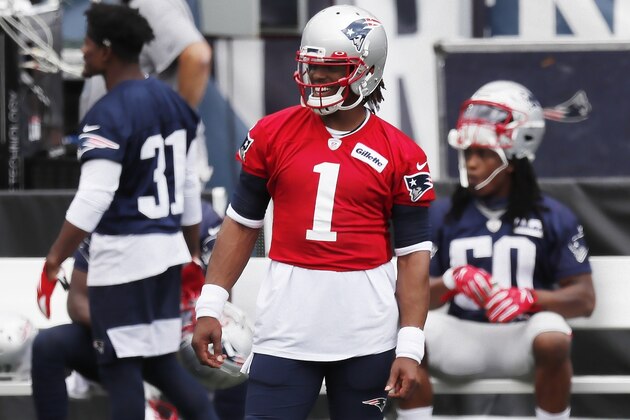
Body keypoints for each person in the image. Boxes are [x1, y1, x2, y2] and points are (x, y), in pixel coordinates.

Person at [191, 5, 435, 419]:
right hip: (285, 331)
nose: (317, 79)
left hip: (366, 336)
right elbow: (241, 224)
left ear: (367, 70)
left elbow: (413, 257)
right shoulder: (271, 133)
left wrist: (410, 345)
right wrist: (210, 306)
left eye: (331, 69)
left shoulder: (403, 154)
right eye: (311, 67)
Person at [36, 4, 208, 419]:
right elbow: (186, 188)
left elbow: (94, 198)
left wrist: (56, 257)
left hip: (124, 261)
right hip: (165, 257)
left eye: (90, 43)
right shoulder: (173, 104)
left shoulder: (108, 113)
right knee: (163, 364)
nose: (84, 51)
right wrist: (191, 252)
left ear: (108, 50)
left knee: (120, 370)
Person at [396, 80, 596, 420]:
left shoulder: (552, 216)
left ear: (515, 158)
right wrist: (450, 281)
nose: (471, 164)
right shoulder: (441, 214)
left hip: (522, 338)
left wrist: (530, 299)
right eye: (467, 153)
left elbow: (584, 299)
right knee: (410, 338)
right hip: (460, 336)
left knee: (553, 336)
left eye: (483, 153)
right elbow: (410, 299)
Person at [32, 202, 230, 420]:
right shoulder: (107, 217)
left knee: (234, 360)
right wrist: (123, 330)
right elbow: (77, 301)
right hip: (114, 333)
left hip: (175, 340)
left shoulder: (202, 221)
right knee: (48, 345)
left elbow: (220, 300)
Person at [79, 0, 213, 185]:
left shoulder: (153, 3)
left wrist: (176, 128)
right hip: (137, 163)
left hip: (155, 168)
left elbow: (197, 56)